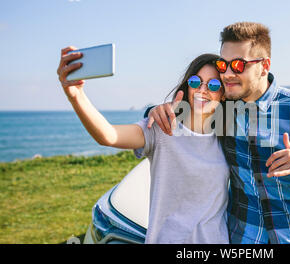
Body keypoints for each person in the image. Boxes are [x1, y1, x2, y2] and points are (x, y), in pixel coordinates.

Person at [147, 22, 290, 244]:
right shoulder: (223, 111)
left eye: (238, 65)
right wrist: (156, 111)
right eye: (222, 65)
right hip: (243, 240)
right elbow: (189, 115)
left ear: (264, 66)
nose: (227, 73)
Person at [57, 49, 230, 244]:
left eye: (214, 85)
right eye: (195, 82)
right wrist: (76, 96)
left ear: (223, 94)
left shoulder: (229, 139)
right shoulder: (161, 129)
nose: (202, 90)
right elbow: (108, 135)